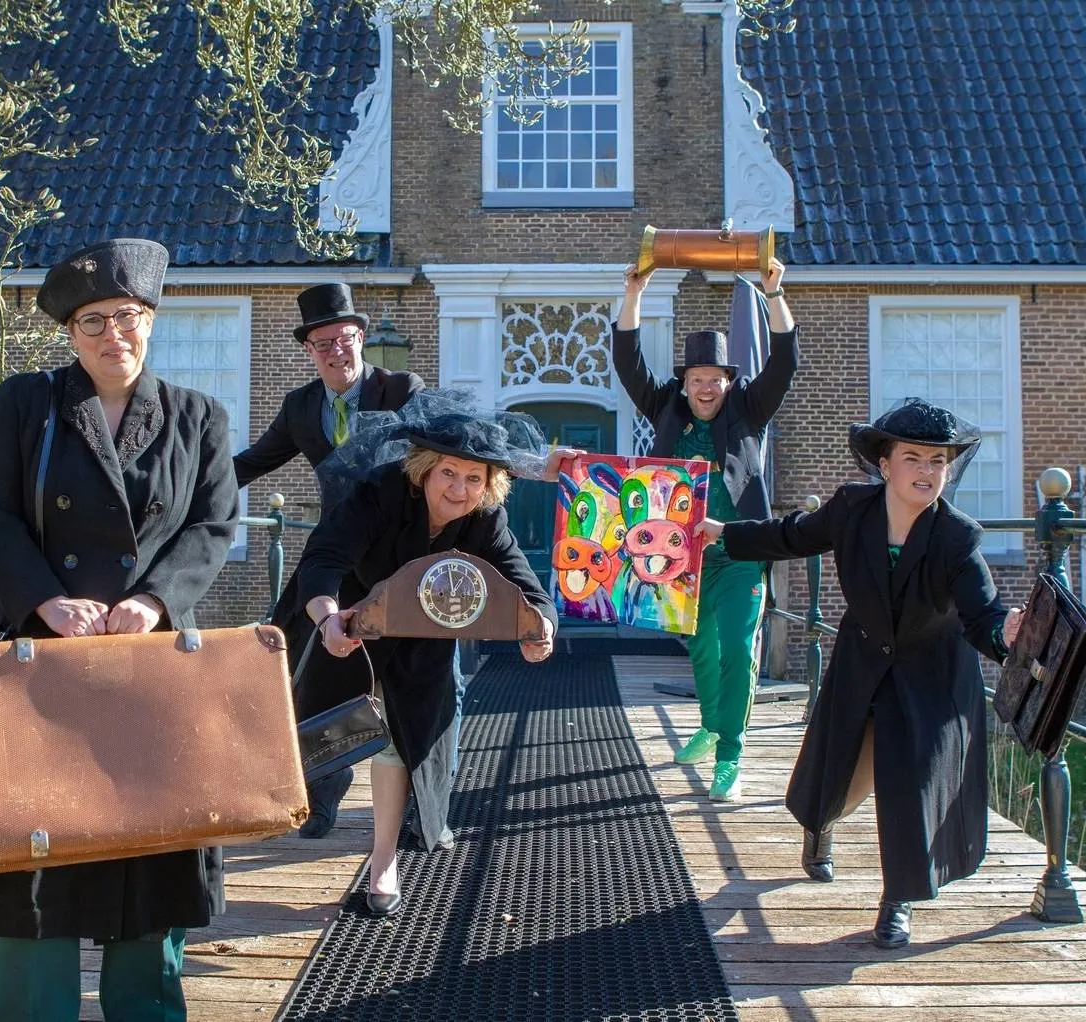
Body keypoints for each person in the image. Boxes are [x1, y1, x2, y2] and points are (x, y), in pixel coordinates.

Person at [0, 237, 240, 1019]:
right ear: (70, 334)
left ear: (151, 321)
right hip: (46, 667)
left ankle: (145, 1008)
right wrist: (43, 599)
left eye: (131, 316)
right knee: (37, 850)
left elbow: (213, 525)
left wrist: (154, 600)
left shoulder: (199, 417)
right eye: (95, 322)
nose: (116, 334)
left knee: (152, 850)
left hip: (152, 667)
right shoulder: (25, 405)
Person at [703, 398, 1024, 949]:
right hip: (862, 655)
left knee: (911, 781)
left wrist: (1007, 634)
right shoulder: (853, 509)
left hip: (932, 675)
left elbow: (982, 617)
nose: (926, 472)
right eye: (914, 458)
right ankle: (818, 829)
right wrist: (724, 534)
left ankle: (896, 900)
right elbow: (792, 534)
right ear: (886, 464)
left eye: (937, 462)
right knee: (837, 763)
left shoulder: (958, 537)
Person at [288, 392, 559, 916]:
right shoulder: (378, 493)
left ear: (489, 485)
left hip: (426, 642)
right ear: (425, 471)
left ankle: (383, 858)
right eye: (449, 474)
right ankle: (303, 806)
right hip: (351, 623)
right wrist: (327, 618)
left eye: (474, 479)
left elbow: (527, 585)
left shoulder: (485, 520)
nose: (460, 490)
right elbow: (322, 558)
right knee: (328, 734)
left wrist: (541, 627)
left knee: (401, 741)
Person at [233, 282, 425, 839]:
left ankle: (418, 809)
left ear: (360, 338)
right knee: (308, 662)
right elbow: (251, 463)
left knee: (419, 679)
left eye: (344, 339)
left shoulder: (400, 389)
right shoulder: (301, 407)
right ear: (309, 350)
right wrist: (180, 482)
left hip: (399, 554)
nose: (336, 351)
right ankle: (321, 794)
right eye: (323, 344)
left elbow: (449, 443)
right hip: (337, 553)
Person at [614, 259, 799, 800]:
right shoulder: (666, 408)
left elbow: (785, 363)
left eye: (714, 380)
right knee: (700, 649)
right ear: (686, 383)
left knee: (739, 648)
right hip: (682, 559)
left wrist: (774, 294)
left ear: (726, 382)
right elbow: (628, 362)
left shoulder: (747, 409)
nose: (705, 389)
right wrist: (634, 293)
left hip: (739, 552)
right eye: (696, 380)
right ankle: (711, 724)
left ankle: (730, 753)